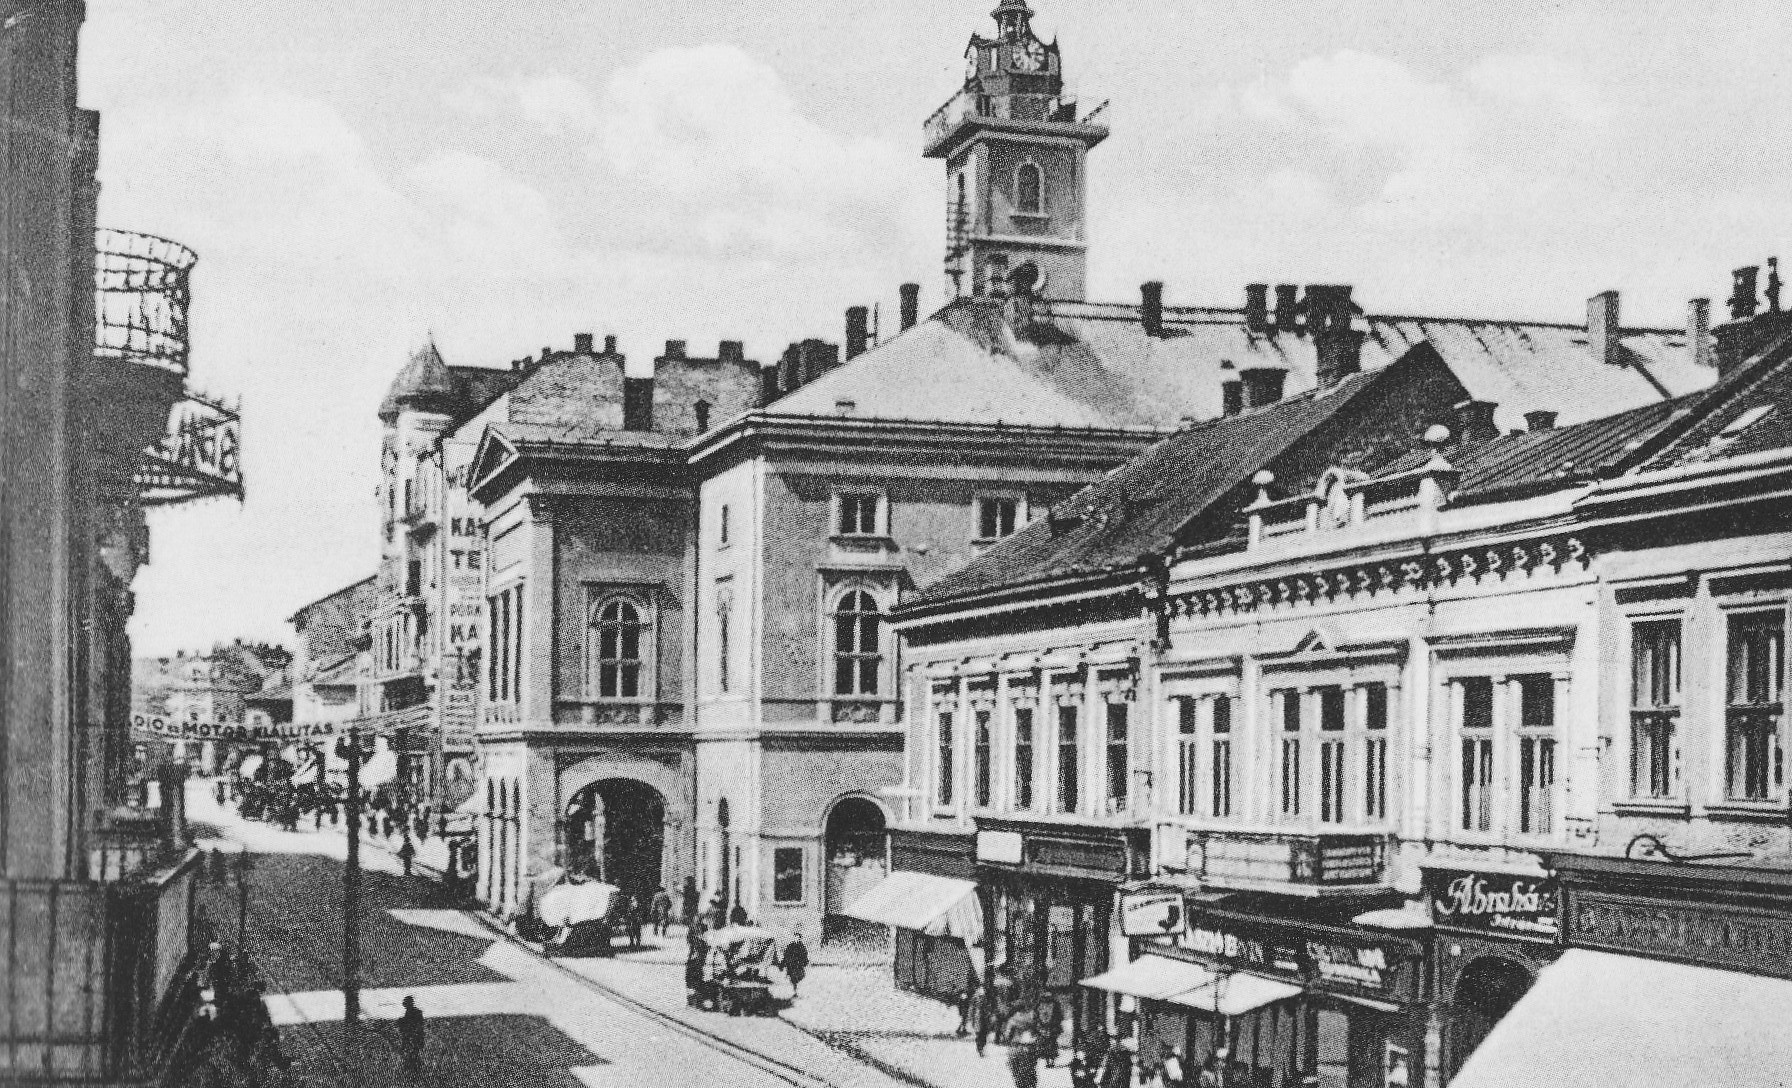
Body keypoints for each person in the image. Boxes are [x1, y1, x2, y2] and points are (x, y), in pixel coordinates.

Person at [1006, 1011, 1041, 1088]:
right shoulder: (1033, 1018)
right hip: (1029, 1047)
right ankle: (1031, 1084)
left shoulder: (1012, 1020)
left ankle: (1022, 1084)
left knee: (1016, 1072)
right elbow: (1038, 1034)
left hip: (1016, 1048)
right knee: (1030, 1070)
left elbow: (1008, 1035)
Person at [396, 995, 425, 1077]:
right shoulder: (416, 1012)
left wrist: (402, 1022)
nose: (404, 1005)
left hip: (412, 1038)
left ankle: (413, 1071)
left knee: (412, 1054)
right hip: (412, 1038)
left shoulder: (415, 1012)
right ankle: (414, 1071)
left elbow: (416, 1026)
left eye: (406, 1003)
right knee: (412, 1054)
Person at [783, 929, 809, 998]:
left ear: (800, 938)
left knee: (800, 976)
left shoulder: (802, 946)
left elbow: (805, 955)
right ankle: (795, 992)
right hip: (792, 965)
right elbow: (786, 955)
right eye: (795, 937)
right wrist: (784, 963)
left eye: (798, 937)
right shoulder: (790, 946)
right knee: (793, 978)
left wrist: (805, 962)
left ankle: (796, 990)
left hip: (799, 965)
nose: (796, 939)